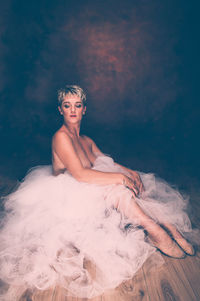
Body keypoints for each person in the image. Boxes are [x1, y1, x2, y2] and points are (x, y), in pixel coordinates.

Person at [0, 85, 197, 300]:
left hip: (87, 184)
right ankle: (154, 230)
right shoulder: (61, 137)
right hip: (67, 196)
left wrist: (129, 172)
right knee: (117, 186)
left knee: (135, 182)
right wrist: (120, 178)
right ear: (60, 110)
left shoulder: (86, 140)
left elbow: (105, 161)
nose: (72, 110)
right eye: (67, 106)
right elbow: (80, 175)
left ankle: (169, 228)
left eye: (77, 105)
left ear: (84, 109)